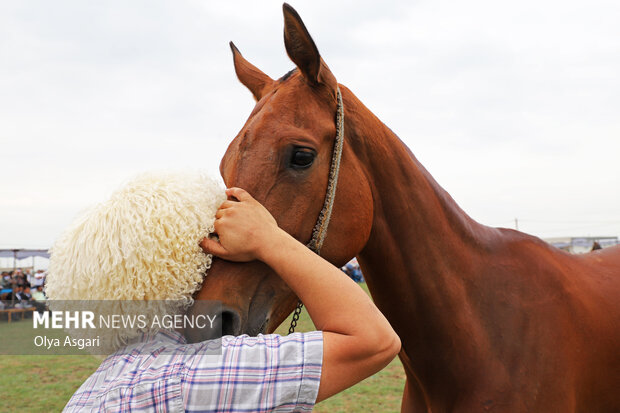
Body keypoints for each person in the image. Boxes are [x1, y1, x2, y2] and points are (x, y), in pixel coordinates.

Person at [65, 188, 400, 412]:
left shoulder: (96, 384)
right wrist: (268, 239)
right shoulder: (184, 377)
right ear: (181, 260)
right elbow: (373, 342)